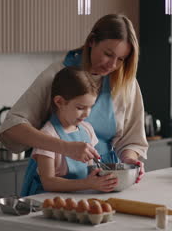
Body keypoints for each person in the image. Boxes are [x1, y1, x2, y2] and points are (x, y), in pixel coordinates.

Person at [0, 14, 149, 191]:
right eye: (108, 54)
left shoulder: (125, 82)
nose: (112, 65)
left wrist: (128, 160)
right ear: (92, 41)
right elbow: (11, 128)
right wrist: (66, 148)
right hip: (55, 183)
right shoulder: (56, 75)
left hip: (102, 181)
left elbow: (132, 139)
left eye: (121, 59)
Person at [22, 67, 118, 195]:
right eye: (80, 107)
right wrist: (87, 183)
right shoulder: (48, 136)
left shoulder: (87, 130)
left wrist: (102, 179)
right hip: (49, 201)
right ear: (60, 102)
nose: (86, 114)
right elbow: (48, 182)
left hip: (78, 197)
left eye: (90, 107)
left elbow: (91, 169)